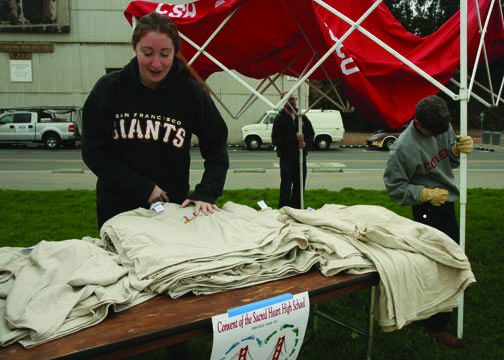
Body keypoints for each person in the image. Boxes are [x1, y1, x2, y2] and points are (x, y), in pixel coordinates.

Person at [82, 12, 229, 230]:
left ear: (175, 53)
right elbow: (94, 153)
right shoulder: (109, 89)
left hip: (169, 212)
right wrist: (144, 188)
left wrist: (207, 192)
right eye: (148, 53)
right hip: (116, 211)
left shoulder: (190, 93)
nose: (156, 63)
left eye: (165, 54)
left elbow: (216, 148)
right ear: (134, 48)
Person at [383, 95, 474, 348]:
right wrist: (423, 194)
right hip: (426, 208)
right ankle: (435, 326)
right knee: (441, 265)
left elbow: (449, 161)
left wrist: (456, 151)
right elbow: (395, 186)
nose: (437, 139)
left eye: (441, 134)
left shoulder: (442, 125)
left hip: (447, 202)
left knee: (449, 259)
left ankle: (432, 313)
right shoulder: (403, 148)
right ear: (419, 123)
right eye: (432, 134)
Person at [271, 92, 314, 209]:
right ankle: (284, 210)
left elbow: (311, 134)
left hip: (300, 157)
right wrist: (294, 138)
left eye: (294, 99)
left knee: (299, 186)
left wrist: (305, 144)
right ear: (283, 101)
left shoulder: (301, 117)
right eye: (290, 99)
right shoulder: (280, 119)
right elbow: (275, 140)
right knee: (286, 185)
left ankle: (297, 209)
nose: (293, 101)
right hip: (287, 158)